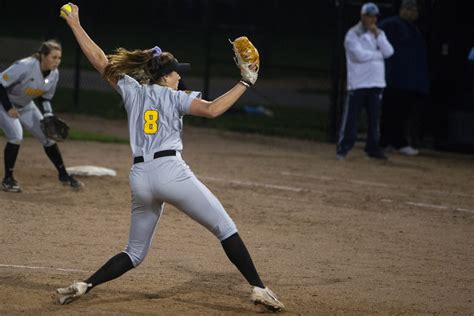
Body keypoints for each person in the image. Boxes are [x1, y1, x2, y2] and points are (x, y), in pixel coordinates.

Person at [57, 3, 284, 312]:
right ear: (165, 77)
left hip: (140, 177)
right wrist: (245, 82)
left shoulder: (132, 90)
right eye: (177, 72)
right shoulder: (175, 97)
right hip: (170, 171)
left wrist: (75, 24)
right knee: (225, 227)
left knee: (135, 253)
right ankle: (259, 288)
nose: (180, 77)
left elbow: (99, 60)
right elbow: (213, 109)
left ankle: (86, 284)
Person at [0, 39, 83, 192]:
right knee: (16, 136)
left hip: (25, 105)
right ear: (42, 56)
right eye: (53, 57)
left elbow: (45, 97)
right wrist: (8, 107)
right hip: (4, 103)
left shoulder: (54, 74)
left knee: (48, 137)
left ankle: (63, 175)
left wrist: (48, 114)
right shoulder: (25, 66)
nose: (57, 61)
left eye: (59, 58)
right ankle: (8, 180)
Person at [337, 2, 394, 160]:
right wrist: (377, 54)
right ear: (362, 16)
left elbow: (389, 52)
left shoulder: (379, 33)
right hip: (359, 83)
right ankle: (343, 148)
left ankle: (373, 149)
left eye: (374, 16)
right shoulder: (353, 34)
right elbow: (358, 56)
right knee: (351, 118)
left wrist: (377, 37)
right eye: (369, 16)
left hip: (376, 83)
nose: (372, 19)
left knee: (374, 119)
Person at [378, 0, 429, 156]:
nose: (411, 12)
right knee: (390, 110)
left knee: (402, 111)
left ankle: (394, 141)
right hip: (393, 78)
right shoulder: (391, 24)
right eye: (408, 8)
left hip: (409, 81)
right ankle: (388, 141)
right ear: (400, 9)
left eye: (414, 9)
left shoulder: (415, 29)